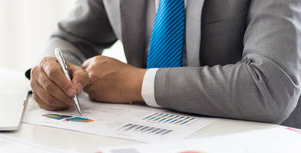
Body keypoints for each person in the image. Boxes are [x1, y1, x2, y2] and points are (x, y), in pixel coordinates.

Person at [28, 0, 301, 128]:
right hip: (149, 141)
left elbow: (271, 86)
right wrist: (55, 72)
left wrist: (136, 83)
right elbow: (70, 36)